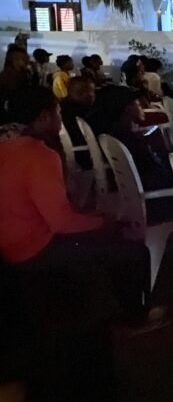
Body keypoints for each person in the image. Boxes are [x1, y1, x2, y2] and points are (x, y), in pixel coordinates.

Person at [0, 88, 158, 328]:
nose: (60, 120)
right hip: (31, 246)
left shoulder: (8, 145)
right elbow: (61, 222)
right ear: (44, 116)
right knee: (133, 251)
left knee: (104, 233)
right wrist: (103, 222)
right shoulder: (39, 155)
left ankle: (111, 300)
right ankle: (139, 318)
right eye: (58, 112)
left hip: (11, 238)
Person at [94, 87, 173, 203]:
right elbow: (156, 170)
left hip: (136, 191)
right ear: (127, 109)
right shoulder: (130, 140)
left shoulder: (114, 134)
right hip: (159, 197)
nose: (142, 107)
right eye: (138, 104)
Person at [60, 76, 97, 171]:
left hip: (65, 159)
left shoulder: (61, 108)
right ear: (82, 94)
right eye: (92, 91)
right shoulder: (85, 115)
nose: (94, 95)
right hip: (84, 161)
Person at [0, 46, 32, 121]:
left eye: (25, 58)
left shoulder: (22, 73)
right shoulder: (9, 74)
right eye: (19, 59)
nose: (25, 61)